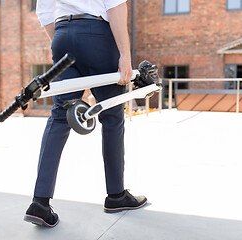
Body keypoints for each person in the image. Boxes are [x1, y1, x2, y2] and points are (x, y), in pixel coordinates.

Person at [23, 0, 147, 228]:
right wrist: (125, 55)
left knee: (60, 116)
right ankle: (116, 195)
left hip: (61, 36)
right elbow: (115, 4)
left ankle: (39, 202)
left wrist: (67, 39)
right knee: (111, 117)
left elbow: (44, 11)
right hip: (98, 35)